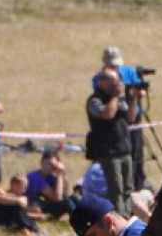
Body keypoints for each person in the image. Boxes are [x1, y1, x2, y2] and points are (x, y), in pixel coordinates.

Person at [94, 47, 148, 191]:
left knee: (136, 151)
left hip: (132, 117)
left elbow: (140, 88)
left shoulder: (129, 71)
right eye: (112, 65)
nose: (115, 67)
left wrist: (137, 93)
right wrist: (118, 93)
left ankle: (139, 182)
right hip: (114, 122)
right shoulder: (99, 78)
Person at [86, 68, 137, 218]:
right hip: (109, 152)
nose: (116, 84)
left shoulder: (119, 99)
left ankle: (127, 216)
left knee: (128, 188)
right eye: (112, 81)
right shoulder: (95, 100)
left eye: (117, 81)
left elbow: (131, 117)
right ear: (102, 82)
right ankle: (119, 218)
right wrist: (116, 96)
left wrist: (132, 98)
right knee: (116, 190)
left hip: (124, 149)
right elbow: (107, 114)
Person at [26, 145, 79, 219]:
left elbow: (65, 194)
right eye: (46, 164)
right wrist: (59, 175)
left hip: (49, 204)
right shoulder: (35, 177)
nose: (48, 167)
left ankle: (89, 217)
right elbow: (57, 198)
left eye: (52, 165)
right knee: (66, 202)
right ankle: (79, 220)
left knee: (74, 197)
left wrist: (62, 173)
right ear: (41, 162)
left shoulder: (52, 177)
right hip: (39, 209)